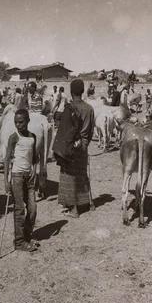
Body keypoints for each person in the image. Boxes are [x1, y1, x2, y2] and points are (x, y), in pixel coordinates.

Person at [54, 79, 95, 218]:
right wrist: (85, 143)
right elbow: (91, 130)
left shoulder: (69, 107)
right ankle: (87, 204)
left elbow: (64, 129)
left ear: (71, 92)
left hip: (71, 146)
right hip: (83, 144)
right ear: (83, 91)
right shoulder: (89, 108)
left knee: (69, 175)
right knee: (82, 173)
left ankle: (74, 209)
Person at [4, 109, 39, 252]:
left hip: (29, 176)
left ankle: (27, 235)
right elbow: (7, 158)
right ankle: (19, 242)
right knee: (19, 210)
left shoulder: (33, 137)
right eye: (16, 122)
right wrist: (6, 180)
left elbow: (35, 157)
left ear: (28, 121)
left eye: (21, 122)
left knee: (32, 209)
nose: (18, 125)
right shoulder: (14, 137)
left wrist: (35, 171)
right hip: (17, 176)